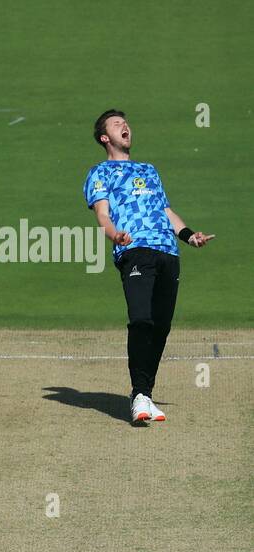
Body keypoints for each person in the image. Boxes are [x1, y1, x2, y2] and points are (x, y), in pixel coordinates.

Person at [84, 110, 214, 423]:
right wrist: (115, 234)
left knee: (160, 326)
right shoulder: (101, 172)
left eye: (125, 122)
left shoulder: (149, 169)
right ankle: (141, 395)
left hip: (167, 251)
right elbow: (102, 214)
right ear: (105, 137)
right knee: (141, 319)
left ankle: (143, 393)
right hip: (134, 249)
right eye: (116, 124)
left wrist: (188, 236)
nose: (124, 126)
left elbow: (165, 209)